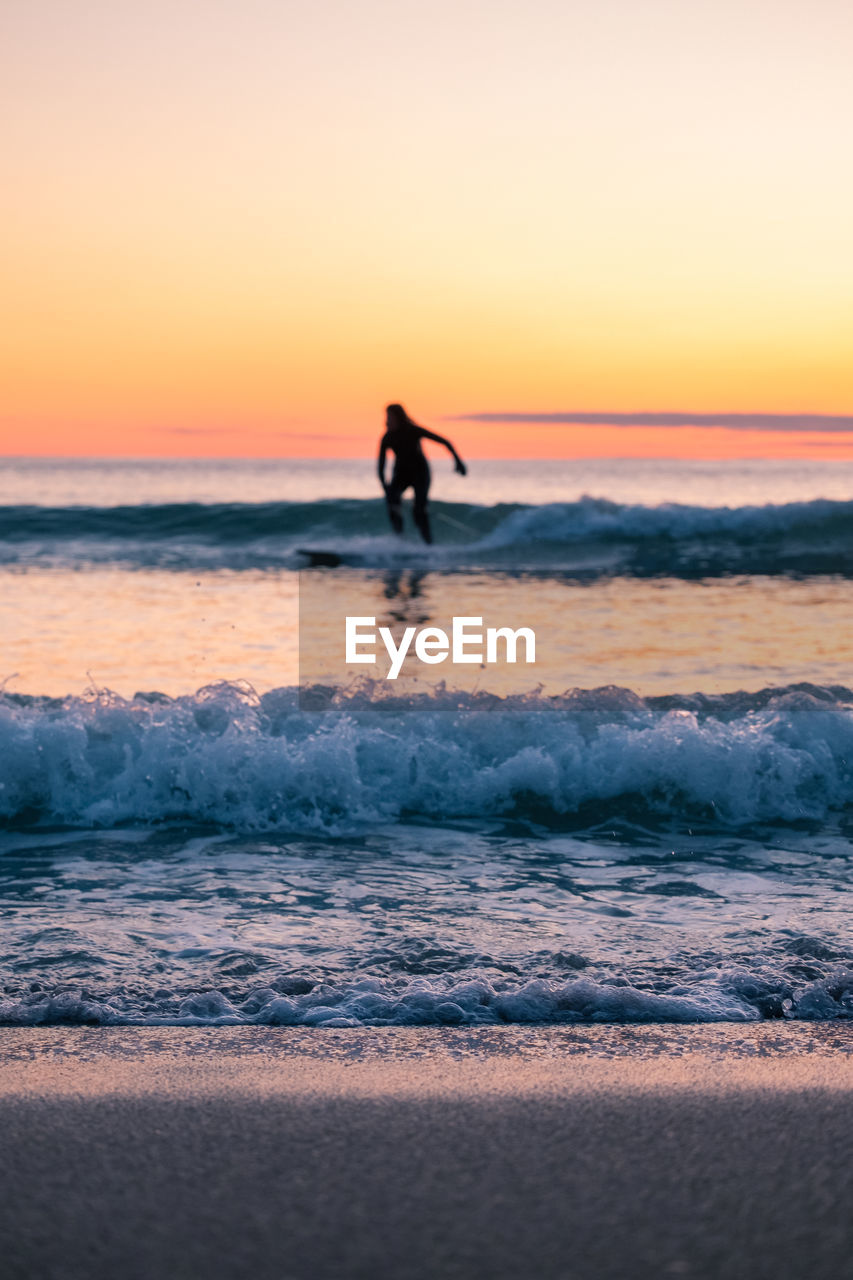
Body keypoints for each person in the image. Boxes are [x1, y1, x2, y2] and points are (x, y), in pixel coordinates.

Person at [377, 403, 466, 544]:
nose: (387, 419)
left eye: (390, 416)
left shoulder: (413, 430)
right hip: (401, 474)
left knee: (419, 510)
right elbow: (381, 466)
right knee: (392, 502)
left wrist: (458, 462)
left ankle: (428, 544)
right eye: (387, 416)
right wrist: (385, 487)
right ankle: (399, 539)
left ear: (399, 417)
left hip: (420, 473)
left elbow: (444, 442)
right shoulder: (388, 438)